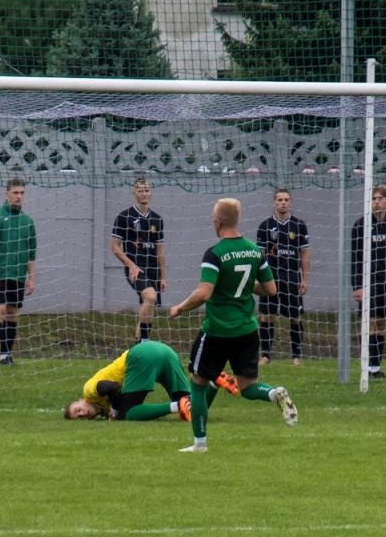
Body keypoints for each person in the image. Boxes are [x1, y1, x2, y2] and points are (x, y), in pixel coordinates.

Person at [167, 197, 298, 452]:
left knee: (197, 382)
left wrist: (180, 307)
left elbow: (204, 292)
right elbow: (271, 289)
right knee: (248, 387)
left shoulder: (215, 254)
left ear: (218, 222)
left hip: (217, 330)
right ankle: (273, 393)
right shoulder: (254, 251)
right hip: (247, 331)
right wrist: (249, 287)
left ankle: (200, 444)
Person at [350, 184, 386, 377]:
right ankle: (367, 367)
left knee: (382, 324)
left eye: (380, 198)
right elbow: (356, 257)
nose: (377, 202)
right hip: (369, 282)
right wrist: (357, 285)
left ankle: (375, 367)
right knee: (369, 323)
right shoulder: (361, 225)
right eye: (374, 199)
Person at [63, 339, 193, 422]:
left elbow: (112, 388)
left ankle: (176, 405)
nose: (82, 414)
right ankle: (212, 383)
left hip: (141, 355)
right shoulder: (104, 410)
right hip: (166, 350)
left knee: (127, 414)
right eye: (79, 418)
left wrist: (115, 412)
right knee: (193, 406)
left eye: (77, 410)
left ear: (82, 401)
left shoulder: (88, 391)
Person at [255, 187, 310, 366]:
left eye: (286, 200)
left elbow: (304, 253)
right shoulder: (265, 226)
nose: (283, 203)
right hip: (271, 277)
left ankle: (296, 355)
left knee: (295, 316)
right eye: (279, 200)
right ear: (274, 202)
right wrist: (259, 277)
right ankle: (266, 355)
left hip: (292, 275)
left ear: (291, 202)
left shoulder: (299, 225)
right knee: (267, 316)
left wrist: (304, 278)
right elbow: (260, 255)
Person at [110, 176, 166, 342]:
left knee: (148, 306)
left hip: (152, 269)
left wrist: (163, 277)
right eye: (140, 191)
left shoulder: (157, 219)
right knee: (150, 297)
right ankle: (144, 342)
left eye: (147, 190)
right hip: (136, 268)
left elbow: (160, 250)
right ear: (134, 193)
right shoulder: (124, 216)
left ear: (151, 193)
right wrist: (130, 265)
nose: (144, 194)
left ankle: (138, 343)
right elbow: (114, 247)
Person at [0, 178, 36, 365]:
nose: (19, 196)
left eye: (22, 193)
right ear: (6, 193)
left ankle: (6, 354)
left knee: (12, 313)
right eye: (15, 193)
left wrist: (31, 277)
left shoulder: (27, 221)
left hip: (18, 275)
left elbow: (31, 253)